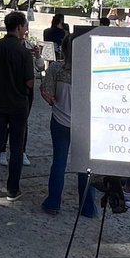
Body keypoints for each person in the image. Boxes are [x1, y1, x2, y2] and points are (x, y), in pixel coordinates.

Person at [40, 31, 98, 219]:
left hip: (60, 120)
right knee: (85, 166)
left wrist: (55, 101)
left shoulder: (56, 69)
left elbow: (46, 93)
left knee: (59, 162)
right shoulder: (93, 71)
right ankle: (87, 207)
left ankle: (53, 202)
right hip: (86, 124)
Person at [0, 11, 35, 201]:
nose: (26, 30)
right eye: (25, 26)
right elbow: (30, 82)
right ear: (19, 27)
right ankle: (13, 189)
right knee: (17, 147)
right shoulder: (23, 52)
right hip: (19, 104)